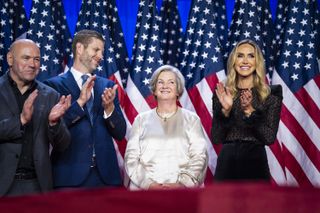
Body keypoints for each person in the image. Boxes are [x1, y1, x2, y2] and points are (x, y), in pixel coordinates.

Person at [44, 30, 126, 188]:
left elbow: (120, 133)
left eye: (102, 51)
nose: (101, 56)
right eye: (96, 50)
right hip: (69, 178)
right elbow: (51, 130)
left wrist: (109, 109)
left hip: (106, 178)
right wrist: (80, 102)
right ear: (79, 48)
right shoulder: (53, 86)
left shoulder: (106, 86)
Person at [0, 39, 71, 197]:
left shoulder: (50, 95)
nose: (32, 64)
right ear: (10, 59)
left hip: (37, 186)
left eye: (37, 59)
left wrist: (54, 123)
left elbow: (63, 144)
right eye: (26, 58)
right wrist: (21, 121)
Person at [125, 65, 208, 190]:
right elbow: (131, 159)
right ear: (154, 88)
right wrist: (150, 185)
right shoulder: (140, 120)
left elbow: (199, 157)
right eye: (160, 82)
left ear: (178, 89)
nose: (165, 86)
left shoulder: (192, 120)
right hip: (145, 191)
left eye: (171, 82)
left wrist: (181, 185)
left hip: (182, 192)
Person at [211, 39, 283, 181]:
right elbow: (216, 137)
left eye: (251, 56)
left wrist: (250, 112)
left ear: (258, 62)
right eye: (240, 56)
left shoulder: (271, 93)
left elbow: (269, 138)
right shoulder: (223, 92)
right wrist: (226, 111)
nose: (245, 61)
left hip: (255, 162)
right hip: (227, 164)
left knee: (256, 204)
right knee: (223, 204)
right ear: (233, 61)